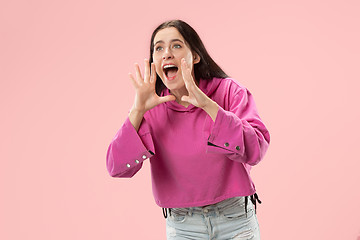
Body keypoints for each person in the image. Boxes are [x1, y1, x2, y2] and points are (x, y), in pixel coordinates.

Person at [106, 19, 270, 240]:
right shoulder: (151, 107)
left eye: (176, 45)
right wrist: (136, 111)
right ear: (154, 61)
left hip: (236, 221)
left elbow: (256, 150)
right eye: (159, 48)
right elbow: (116, 167)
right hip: (183, 226)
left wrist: (209, 106)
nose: (166, 54)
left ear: (195, 56)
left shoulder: (230, 91)